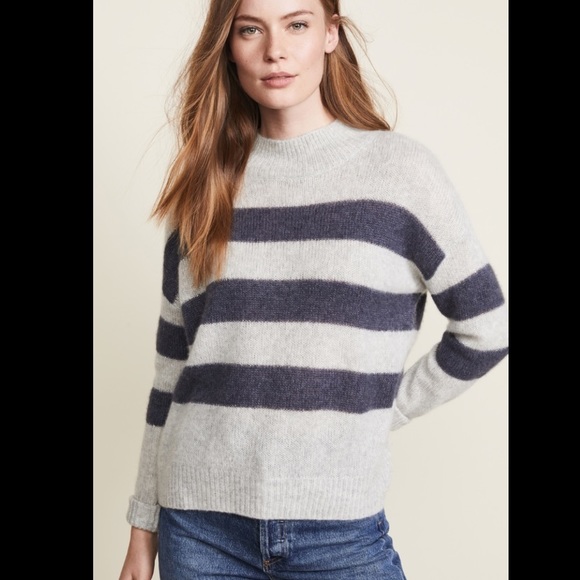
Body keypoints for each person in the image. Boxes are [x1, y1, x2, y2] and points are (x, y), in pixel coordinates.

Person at [118, 0, 508, 578]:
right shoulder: (204, 187)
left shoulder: (401, 174)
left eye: (297, 24)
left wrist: (385, 407)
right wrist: (143, 527)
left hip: (340, 533)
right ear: (228, 46)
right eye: (250, 30)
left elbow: (487, 327)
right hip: (198, 530)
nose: (274, 51)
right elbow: (170, 375)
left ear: (331, 34)